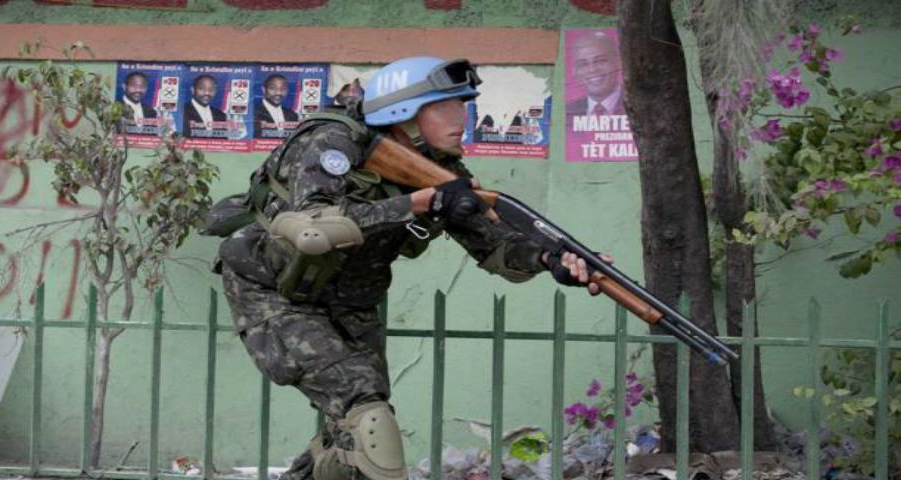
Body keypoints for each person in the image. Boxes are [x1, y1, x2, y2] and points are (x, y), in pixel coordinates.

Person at [215, 56, 611, 480]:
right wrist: (417, 203)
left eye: (463, 104)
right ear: (401, 110)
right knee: (366, 416)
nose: (462, 117)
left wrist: (550, 259)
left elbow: (493, 245)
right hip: (273, 289)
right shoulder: (332, 141)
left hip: (351, 297)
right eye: (444, 106)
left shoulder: (440, 167)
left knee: (351, 434)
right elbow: (314, 228)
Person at [565, 32, 626, 117]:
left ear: (618, 63)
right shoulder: (568, 110)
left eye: (600, 60)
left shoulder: (638, 103)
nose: (592, 69)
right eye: (583, 64)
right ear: (575, 71)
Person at [254, 74, 300, 138]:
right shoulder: (253, 113)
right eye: (273, 88)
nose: (278, 93)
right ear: (264, 89)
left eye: (283, 89)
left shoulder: (292, 115)